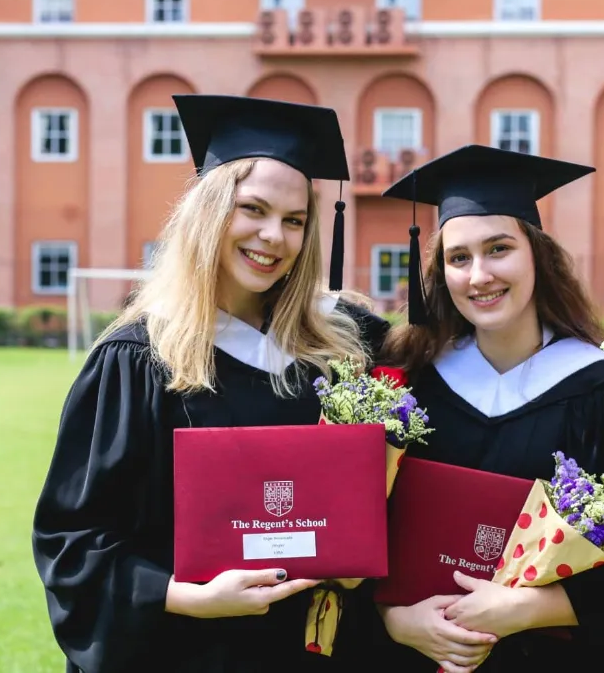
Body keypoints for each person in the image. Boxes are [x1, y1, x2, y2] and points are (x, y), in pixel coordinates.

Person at [30, 95, 390, 673]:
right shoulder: (140, 360)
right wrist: (189, 598)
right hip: (187, 652)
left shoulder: (343, 350)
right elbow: (73, 541)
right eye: (253, 209)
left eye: (294, 220)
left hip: (314, 650)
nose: (273, 236)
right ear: (210, 211)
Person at [374, 144, 604, 672]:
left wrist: (529, 609)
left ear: (537, 256)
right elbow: (367, 539)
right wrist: (393, 619)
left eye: (499, 249)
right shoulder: (413, 389)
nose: (479, 275)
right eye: (458, 258)